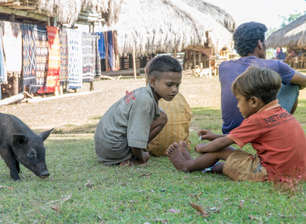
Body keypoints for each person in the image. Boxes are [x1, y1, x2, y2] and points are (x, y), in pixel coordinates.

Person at [167, 67, 306, 182]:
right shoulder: (279, 112)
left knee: (219, 151)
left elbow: (222, 144)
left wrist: (202, 148)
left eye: (239, 100)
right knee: (231, 156)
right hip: (296, 173)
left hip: (271, 175)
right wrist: (215, 136)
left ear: (253, 101)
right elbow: (232, 138)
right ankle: (214, 167)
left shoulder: (258, 119)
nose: (238, 106)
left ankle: (187, 165)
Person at [219, 22, 306, 134]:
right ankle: (280, 126)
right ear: (260, 44)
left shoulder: (224, 67)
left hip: (231, 130)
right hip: (261, 128)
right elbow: (304, 80)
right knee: (293, 84)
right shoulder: (276, 66)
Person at [94, 55, 182, 165]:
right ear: (153, 81)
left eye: (177, 85)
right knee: (141, 146)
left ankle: (135, 152)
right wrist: (141, 157)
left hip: (105, 146)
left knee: (161, 117)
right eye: (169, 85)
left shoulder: (143, 93)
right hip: (113, 148)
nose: (174, 90)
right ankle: (129, 158)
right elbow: (134, 141)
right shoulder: (145, 100)